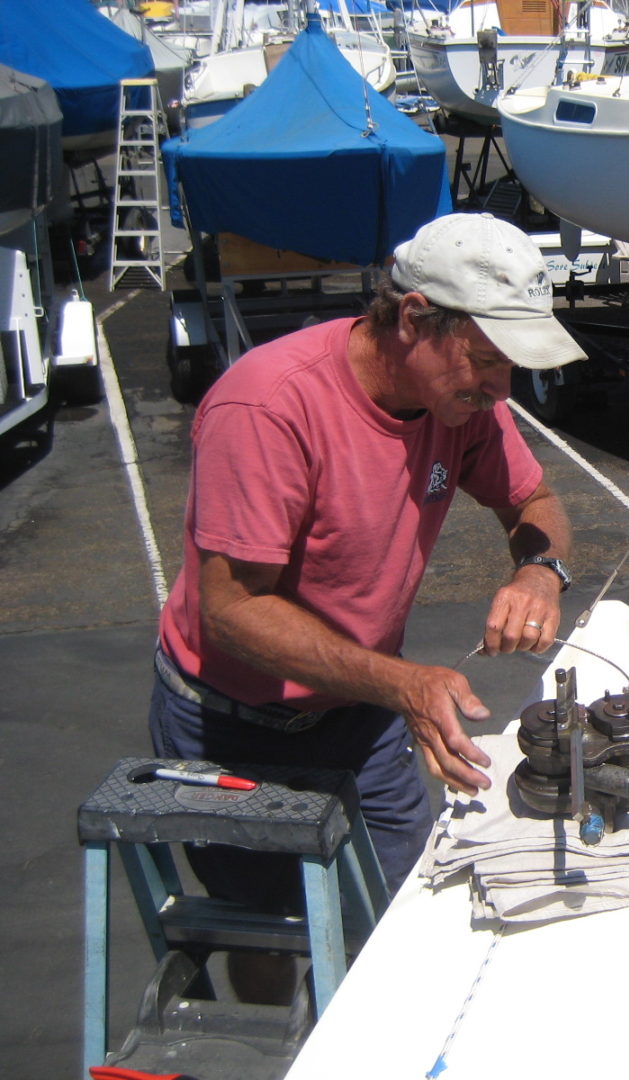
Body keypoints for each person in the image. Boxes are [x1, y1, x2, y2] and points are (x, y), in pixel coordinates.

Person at [149, 212, 586, 913]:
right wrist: (403, 685)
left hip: (362, 710)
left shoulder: (463, 404)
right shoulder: (267, 407)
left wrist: (540, 570)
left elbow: (535, 498)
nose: (502, 389)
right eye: (487, 359)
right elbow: (230, 611)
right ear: (414, 317)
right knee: (266, 931)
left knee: (407, 906)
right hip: (231, 724)